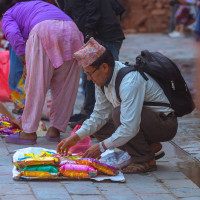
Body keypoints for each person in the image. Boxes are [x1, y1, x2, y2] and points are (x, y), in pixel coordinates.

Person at [57, 38, 178, 173]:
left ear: (104, 67)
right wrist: (75, 137)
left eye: (90, 73)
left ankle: (145, 159)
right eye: (87, 74)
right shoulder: (102, 81)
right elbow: (99, 116)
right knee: (98, 126)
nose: (89, 78)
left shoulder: (130, 81)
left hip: (163, 125)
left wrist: (101, 147)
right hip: (140, 123)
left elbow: (130, 127)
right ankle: (148, 148)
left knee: (118, 114)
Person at [1, 0, 83, 145]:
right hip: (72, 30)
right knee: (66, 86)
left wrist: (26, 61)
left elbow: (13, 35)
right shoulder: (33, 5)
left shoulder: (7, 15)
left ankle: (28, 132)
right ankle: (55, 130)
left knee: (36, 83)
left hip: (44, 30)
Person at [60, 0, 125, 128]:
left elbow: (93, 9)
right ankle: (90, 114)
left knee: (109, 76)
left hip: (104, 34)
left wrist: (88, 33)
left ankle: (115, 118)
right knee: (89, 76)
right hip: (93, 34)